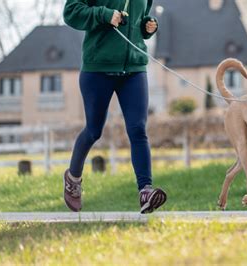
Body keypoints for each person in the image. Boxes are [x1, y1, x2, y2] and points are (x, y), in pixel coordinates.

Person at [62, 0, 166, 213]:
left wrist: (148, 26)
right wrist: (104, 14)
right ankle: (73, 178)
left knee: (138, 129)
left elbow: (139, 20)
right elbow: (70, 12)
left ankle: (145, 190)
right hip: (98, 68)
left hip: (134, 69)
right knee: (93, 131)